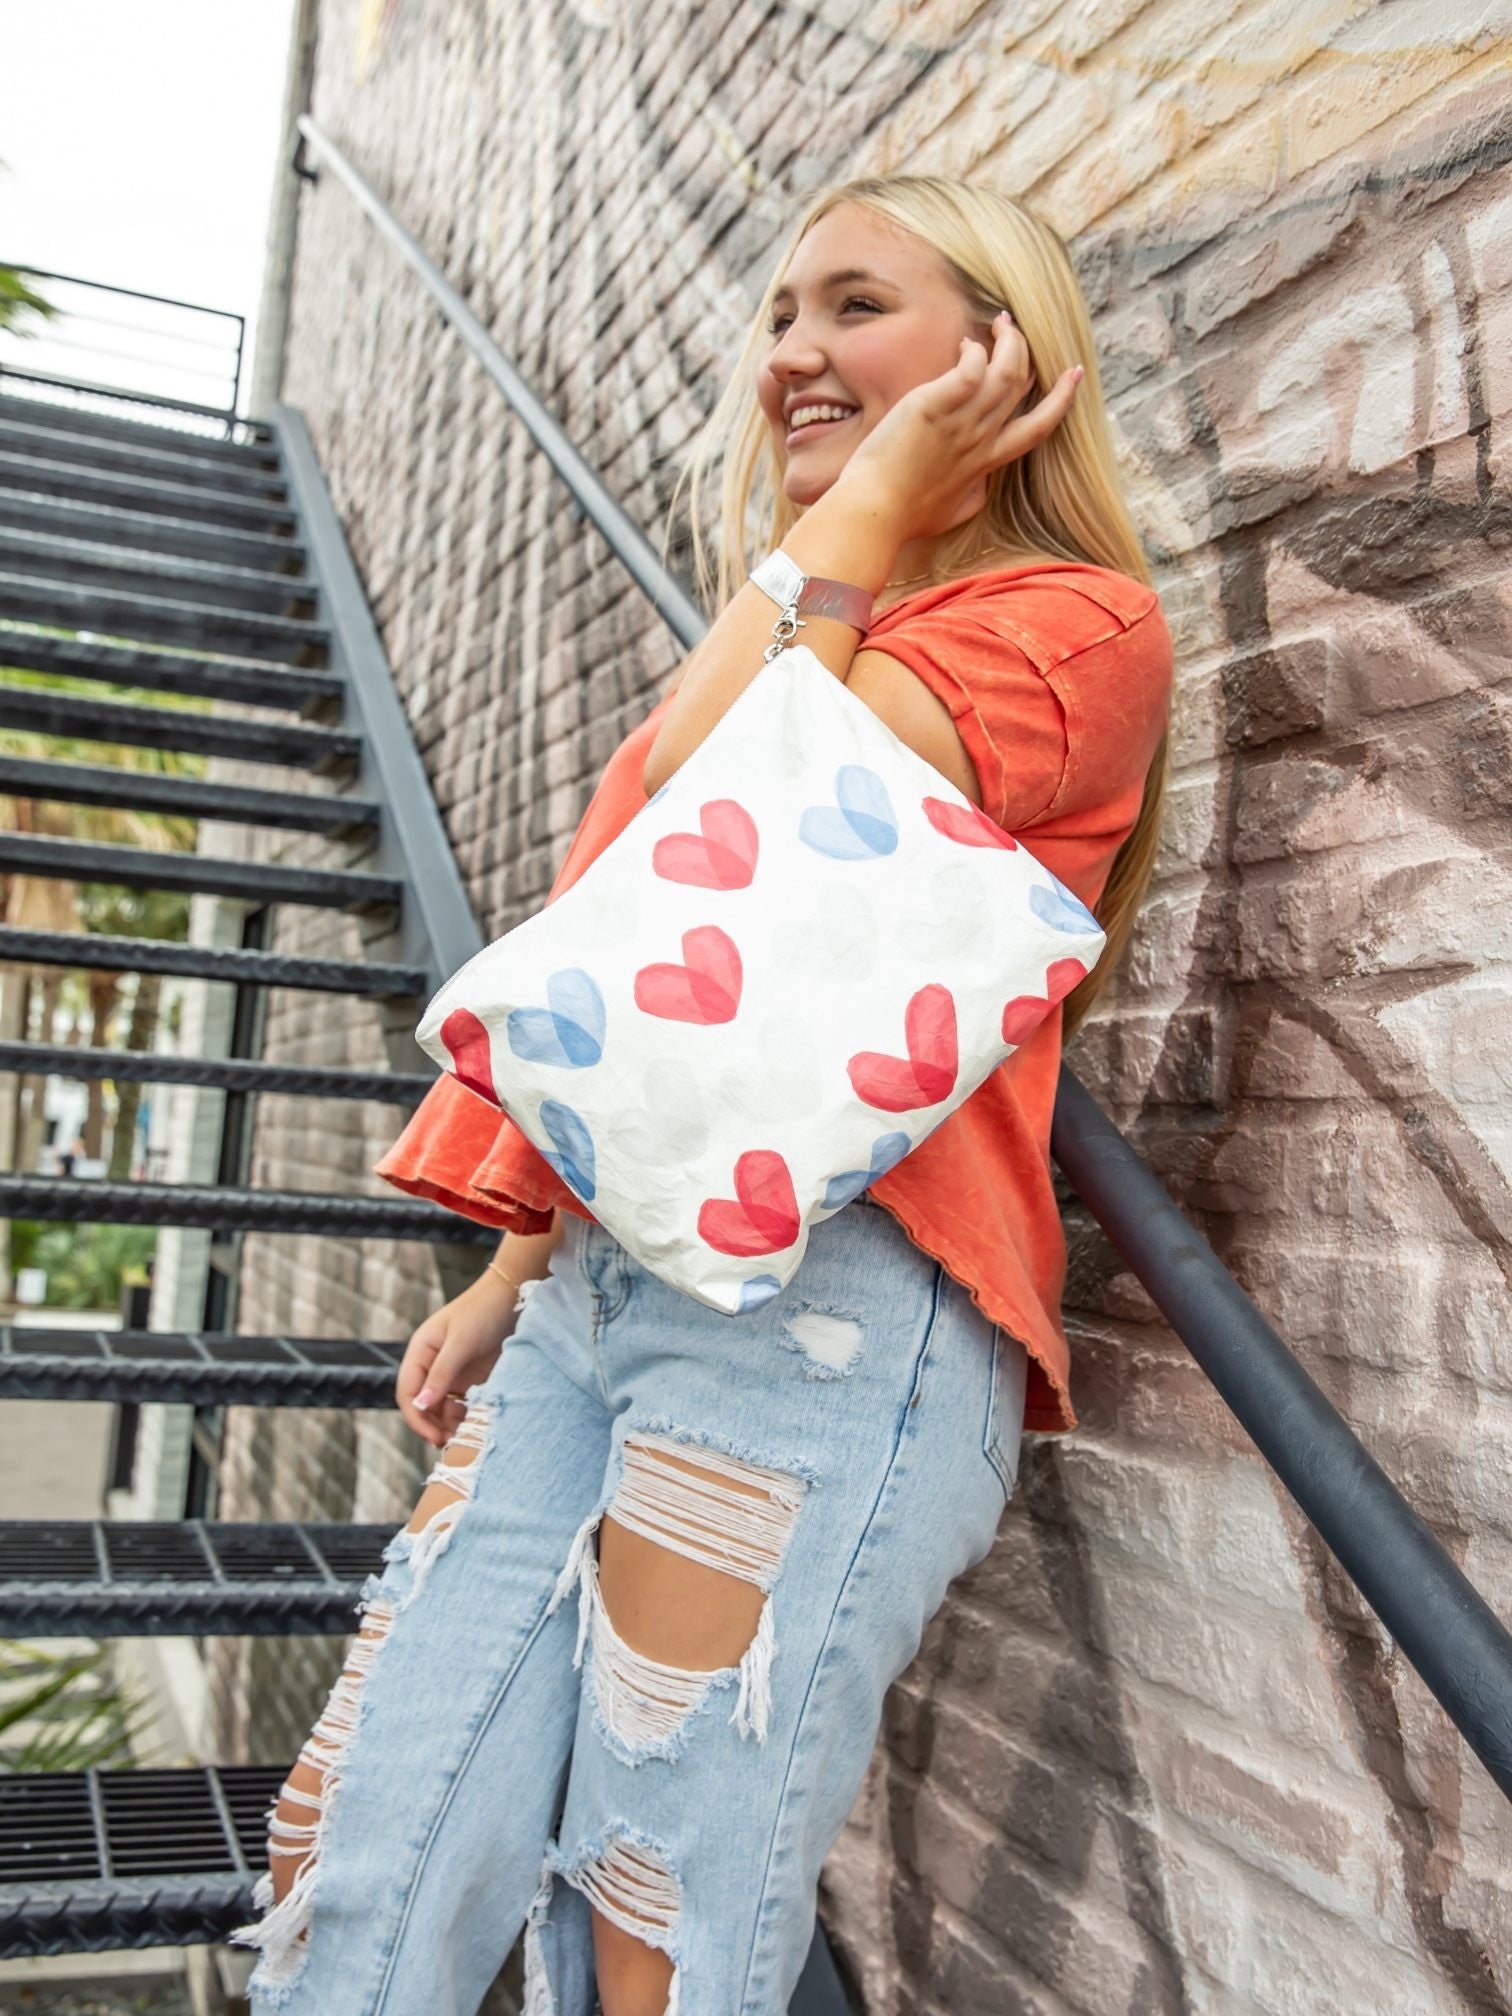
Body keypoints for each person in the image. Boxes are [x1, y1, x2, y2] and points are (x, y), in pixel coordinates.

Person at [227, 172, 1174, 2015]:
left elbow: (724, 818)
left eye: (853, 308)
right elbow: (634, 970)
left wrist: (881, 503)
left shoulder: (1071, 629)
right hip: (605, 1299)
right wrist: (515, 1273)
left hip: (830, 1317)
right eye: (779, 318)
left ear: (1002, 353)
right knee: (359, 1866)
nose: (794, 355)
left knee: (646, 1937)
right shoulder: (801, 615)